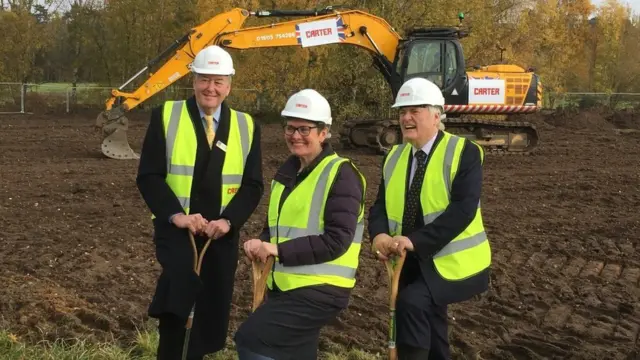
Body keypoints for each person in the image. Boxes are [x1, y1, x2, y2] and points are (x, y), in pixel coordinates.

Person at [136, 45, 264, 360]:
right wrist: (176, 216)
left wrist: (229, 221)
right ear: (193, 80)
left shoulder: (247, 126)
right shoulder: (166, 115)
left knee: (210, 308)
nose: (211, 88)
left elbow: (252, 184)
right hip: (178, 232)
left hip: (220, 236)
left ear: (229, 85)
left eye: (218, 81)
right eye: (205, 79)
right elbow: (149, 176)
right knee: (177, 301)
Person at [233, 89, 366, 360]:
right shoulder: (288, 172)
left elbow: (337, 240)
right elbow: (277, 226)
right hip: (286, 284)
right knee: (294, 353)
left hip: (321, 288)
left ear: (323, 132)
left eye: (304, 129)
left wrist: (277, 250)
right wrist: (262, 242)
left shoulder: (341, 174)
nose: (295, 136)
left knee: (250, 339)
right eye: (290, 128)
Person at [368, 77, 491, 360]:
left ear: (436, 116)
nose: (406, 117)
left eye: (415, 110)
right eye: (402, 111)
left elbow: (462, 211)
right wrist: (379, 235)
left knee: (411, 303)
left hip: (454, 263)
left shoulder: (464, 153)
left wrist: (413, 241)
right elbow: (379, 207)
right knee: (430, 322)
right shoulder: (394, 157)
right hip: (411, 261)